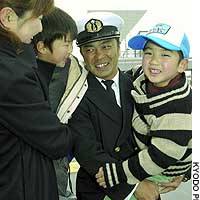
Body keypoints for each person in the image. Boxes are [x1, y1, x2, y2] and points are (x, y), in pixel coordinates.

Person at [68, 12, 160, 200]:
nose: (99, 56)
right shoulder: (75, 95)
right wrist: (133, 188)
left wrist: (182, 171)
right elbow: (87, 151)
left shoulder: (139, 85)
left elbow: (167, 128)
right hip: (102, 190)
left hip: (148, 184)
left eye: (106, 46)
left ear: (118, 46)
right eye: (90, 49)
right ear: (82, 54)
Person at [96, 22, 192, 199]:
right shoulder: (144, 75)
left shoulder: (178, 107)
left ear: (182, 65)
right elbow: (124, 77)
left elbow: (160, 156)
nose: (154, 61)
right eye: (148, 53)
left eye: (165, 54)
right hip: (145, 155)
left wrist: (119, 173)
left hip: (163, 166)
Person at [0, 1, 74, 200]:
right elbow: (56, 141)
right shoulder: (11, 75)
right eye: (38, 18)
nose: (41, 27)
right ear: (8, 18)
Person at [32, 7, 88, 200]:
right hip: (28, 169)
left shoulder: (74, 72)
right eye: (66, 43)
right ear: (41, 46)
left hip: (59, 167)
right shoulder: (21, 75)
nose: (71, 50)